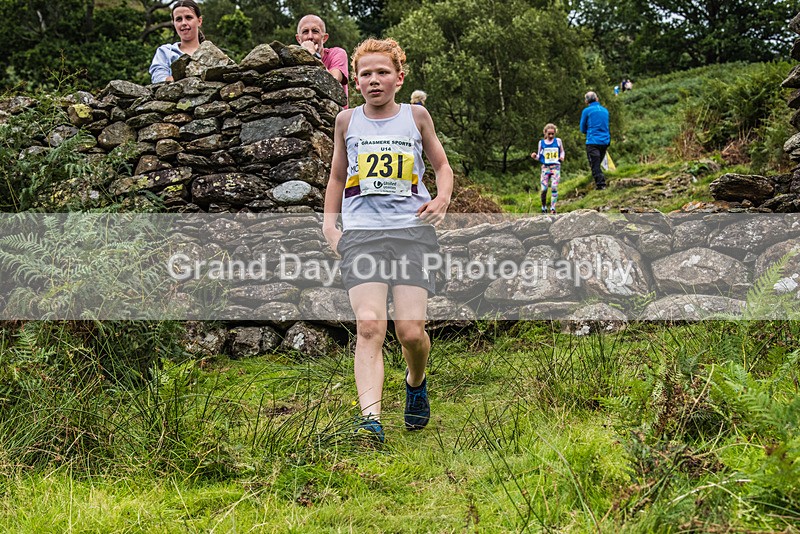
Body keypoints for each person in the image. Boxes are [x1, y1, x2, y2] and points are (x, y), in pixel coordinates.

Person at [322, 38, 453, 444]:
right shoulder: (346, 121)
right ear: (356, 81)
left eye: (382, 72)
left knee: (410, 332)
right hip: (362, 234)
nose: (374, 80)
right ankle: (370, 421)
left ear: (399, 77)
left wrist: (443, 199)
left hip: (412, 233)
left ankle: (416, 380)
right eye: (365, 74)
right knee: (369, 325)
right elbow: (337, 178)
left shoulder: (417, 116)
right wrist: (330, 226)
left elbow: (442, 165)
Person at [296, 14, 349, 102]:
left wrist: (313, 54)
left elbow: (333, 82)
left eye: (315, 31)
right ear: (298, 39)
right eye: (305, 31)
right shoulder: (293, 60)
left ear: (324, 38)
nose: (310, 37)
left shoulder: (337, 53)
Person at [149, 0, 204, 84]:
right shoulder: (165, 52)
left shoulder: (212, 53)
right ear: (173, 23)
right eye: (179, 19)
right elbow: (158, 78)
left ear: (199, 21)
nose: (184, 23)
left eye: (188, 17)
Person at [531, 123, 565, 214]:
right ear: (545, 133)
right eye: (549, 134)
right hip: (545, 168)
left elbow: (562, 151)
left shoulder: (558, 141)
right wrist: (535, 156)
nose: (550, 136)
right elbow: (539, 157)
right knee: (544, 189)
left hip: (555, 167)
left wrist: (562, 157)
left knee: (554, 187)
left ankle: (553, 208)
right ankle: (543, 206)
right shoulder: (541, 143)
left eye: (552, 134)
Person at [580, 91, 610, 190]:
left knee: (594, 165)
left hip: (592, 141)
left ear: (586, 101)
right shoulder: (605, 110)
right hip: (605, 141)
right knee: (598, 163)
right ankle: (601, 180)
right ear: (597, 99)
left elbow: (582, 128)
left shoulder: (586, 111)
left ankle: (601, 185)